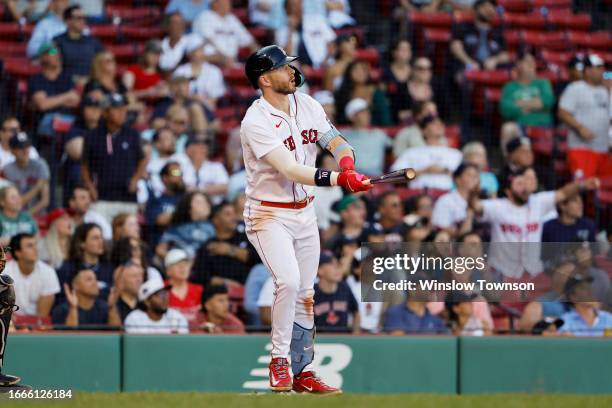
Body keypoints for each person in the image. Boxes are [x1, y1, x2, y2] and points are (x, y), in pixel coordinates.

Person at [240, 45, 372, 393]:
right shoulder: (255, 120)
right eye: (283, 68)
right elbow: (291, 169)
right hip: (268, 213)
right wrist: (337, 180)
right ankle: (279, 361)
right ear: (265, 79)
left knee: (306, 292)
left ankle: (304, 371)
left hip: (305, 213)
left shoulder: (308, 104)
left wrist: (346, 164)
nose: (292, 72)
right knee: (288, 281)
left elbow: (336, 140)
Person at [469, 167, 600, 279]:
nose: (524, 188)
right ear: (508, 191)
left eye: (525, 183)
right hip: (501, 272)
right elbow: (476, 206)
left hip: (533, 273)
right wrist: (473, 192)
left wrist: (582, 185)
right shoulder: (497, 206)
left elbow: (563, 193)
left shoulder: (538, 201)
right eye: (519, 184)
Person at [81, 93, 147, 222]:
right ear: (105, 113)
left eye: (123, 108)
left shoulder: (132, 135)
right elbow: (84, 165)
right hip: (102, 198)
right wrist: (90, 187)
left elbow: (143, 159)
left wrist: (135, 179)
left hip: (127, 198)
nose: (122, 112)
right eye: (116, 109)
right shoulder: (92, 136)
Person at [558, 53, 612, 179]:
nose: (602, 71)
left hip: (603, 150)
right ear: (587, 71)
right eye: (598, 68)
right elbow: (563, 113)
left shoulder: (606, 90)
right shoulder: (576, 88)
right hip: (582, 149)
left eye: (603, 68)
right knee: (583, 187)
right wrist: (580, 127)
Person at [191, 201, 258, 287]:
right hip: (219, 294)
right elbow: (198, 276)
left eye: (234, 213)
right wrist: (224, 282)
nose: (234, 217)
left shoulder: (247, 237)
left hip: (250, 290)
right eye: (228, 214)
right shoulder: (208, 246)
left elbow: (260, 260)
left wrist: (231, 250)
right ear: (216, 220)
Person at [391, 114, 462, 190]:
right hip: (419, 195)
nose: (439, 126)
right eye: (434, 123)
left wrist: (445, 170)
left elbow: (465, 177)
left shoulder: (455, 154)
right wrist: (425, 171)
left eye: (441, 123)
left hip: (447, 195)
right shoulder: (412, 152)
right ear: (423, 130)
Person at [28, 43, 79, 137]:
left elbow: (75, 101)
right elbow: (43, 105)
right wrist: (66, 97)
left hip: (69, 117)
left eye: (58, 52)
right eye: (53, 52)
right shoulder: (37, 79)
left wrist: (51, 100)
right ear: (43, 57)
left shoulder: (66, 78)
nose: (57, 55)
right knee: (54, 121)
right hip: (46, 120)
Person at [4, 233, 60, 317]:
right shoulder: (4, 273)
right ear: (17, 253)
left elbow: (42, 316)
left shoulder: (48, 272)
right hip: (10, 322)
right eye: (30, 246)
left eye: (35, 245)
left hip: (37, 324)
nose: (36, 249)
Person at [450, 0, 509, 79]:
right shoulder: (464, 27)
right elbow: (455, 47)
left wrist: (495, 60)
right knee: (458, 71)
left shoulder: (497, 33)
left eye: (493, 7)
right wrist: (469, 62)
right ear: (476, 10)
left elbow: (505, 55)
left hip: (491, 67)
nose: (490, 10)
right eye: (486, 7)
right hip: (467, 64)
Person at [62, 95, 103, 205]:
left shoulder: (106, 129)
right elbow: (78, 152)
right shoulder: (76, 128)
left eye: (97, 107)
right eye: (90, 107)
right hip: (83, 168)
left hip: (101, 168)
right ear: (82, 110)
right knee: (77, 170)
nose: (94, 111)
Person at [193, 0, 258, 68]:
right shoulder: (205, 16)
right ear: (215, 4)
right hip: (211, 62)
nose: (228, 3)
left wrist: (260, 55)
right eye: (224, 1)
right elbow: (210, 40)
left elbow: (249, 40)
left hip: (232, 61)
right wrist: (225, 58)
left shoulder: (232, 18)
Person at [56, 223, 113, 299]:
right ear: (82, 243)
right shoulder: (68, 269)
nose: (101, 241)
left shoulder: (109, 267)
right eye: (95, 238)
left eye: (101, 237)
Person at [500, 50, 555, 127]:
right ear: (518, 64)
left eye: (533, 61)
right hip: (520, 125)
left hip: (543, 126)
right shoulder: (509, 87)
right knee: (507, 128)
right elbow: (506, 110)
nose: (531, 64)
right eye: (527, 62)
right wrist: (536, 104)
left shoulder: (543, 83)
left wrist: (519, 103)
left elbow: (548, 102)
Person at [275, 0, 336, 69]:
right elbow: (286, 54)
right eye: (292, 6)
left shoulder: (317, 20)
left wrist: (326, 59)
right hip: (300, 68)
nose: (296, 8)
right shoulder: (281, 31)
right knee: (291, 66)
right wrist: (290, 30)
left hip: (324, 62)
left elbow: (331, 42)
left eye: (298, 4)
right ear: (286, 10)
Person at [51, 268, 121, 328]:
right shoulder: (62, 310)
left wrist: (112, 308)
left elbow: (115, 331)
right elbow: (69, 337)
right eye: (89, 280)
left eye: (95, 279)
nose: (95, 283)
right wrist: (73, 308)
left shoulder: (104, 307)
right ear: (75, 285)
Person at [341, 98, 392, 176]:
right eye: (362, 112)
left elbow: (396, 147)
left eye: (367, 111)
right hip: (351, 179)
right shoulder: (343, 135)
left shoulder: (379, 134)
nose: (367, 114)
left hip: (376, 179)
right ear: (352, 117)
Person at [2, 132, 50, 215]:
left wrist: (27, 216)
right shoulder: (7, 170)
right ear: (12, 150)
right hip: (14, 215)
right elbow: (15, 202)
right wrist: (38, 186)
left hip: (38, 215)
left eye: (27, 146)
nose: (25, 151)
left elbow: (45, 200)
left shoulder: (40, 165)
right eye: (20, 148)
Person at [173, 36, 226, 112]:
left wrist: (201, 102)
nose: (200, 53)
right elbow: (177, 96)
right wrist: (194, 98)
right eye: (196, 50)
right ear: (189, 54)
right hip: (183, 109)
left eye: (201, 49)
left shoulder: (214, 71)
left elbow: (213, 101)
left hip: (206, 110)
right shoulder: (180, 71)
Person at [157, 192, 215, 259]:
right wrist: (177, 260)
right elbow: (160, 249)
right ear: (188, 207)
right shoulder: (178, 227)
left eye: (206, 201)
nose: (205, 205)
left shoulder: (215, 227)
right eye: (199, 202)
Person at [53, 5, 104, 80]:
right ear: (68, 21)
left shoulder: (93, 42)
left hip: (91, 83)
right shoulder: (57, 41)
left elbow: (103, 60)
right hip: (66, 84)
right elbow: (51, 59)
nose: (83, 21)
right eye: (79, 18)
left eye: (84, 18)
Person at [313, 251, 359, 333]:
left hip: (342, 341)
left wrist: (355, 335)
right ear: (319, 270)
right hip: (319, 341)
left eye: (337, 264)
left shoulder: (344, 287)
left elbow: (356, 313)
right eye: (331, 265)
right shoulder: (311, 292)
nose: (337, 268)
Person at [335, 60, 392, 126]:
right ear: (349, 73)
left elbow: (384, 117)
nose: (360, 73)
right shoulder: (343, 93)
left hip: (374, 130)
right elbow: (340, 117)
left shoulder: (376, 93)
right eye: (356, 70)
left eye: (363, 70)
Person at [124, 278, 189, 334]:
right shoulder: (134, 319)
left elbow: (182, 345)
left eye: (165, 293)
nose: (165, 298)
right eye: (160, 295)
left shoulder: (177, 317)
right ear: (147, 302)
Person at [432, 163, 481, 236]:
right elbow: (440, 229)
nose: (474, 178)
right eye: (469, 175)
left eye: (476, 176)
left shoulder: (484, 199)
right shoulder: (445, 200)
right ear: (457, 179)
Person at [177, 136, 229, 205]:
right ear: (188, 150)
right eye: (198, 146)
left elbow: (224, 188)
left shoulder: (216, 166)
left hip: (214, 205)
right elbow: (177, 185)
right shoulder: (181, 167)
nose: (203, 149)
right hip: (187, 206)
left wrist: (198, 190)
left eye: (204, 147)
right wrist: (210, 188)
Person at [144, 161, 185, 247]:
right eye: (175, 173)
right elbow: (160, 220)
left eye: (181, 173)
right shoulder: (155, 200)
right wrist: (185, 210)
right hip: (161, 245)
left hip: (185, 244)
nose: (180, 176)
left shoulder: (186, 199)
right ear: (165, 178)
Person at [164, 248, 203, 323]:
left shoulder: (199, 290)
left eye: (185, 264)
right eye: (177, 264)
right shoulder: (160, 289)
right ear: (168, 270)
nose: (183, 267)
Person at [382, 39, 413, 124]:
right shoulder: (386, 73)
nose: (406, 52)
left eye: (408, 50)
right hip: (391, 113)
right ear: (394, 52)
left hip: (412, 113)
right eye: (403, 49)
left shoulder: (415, 71)